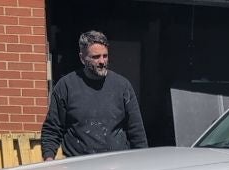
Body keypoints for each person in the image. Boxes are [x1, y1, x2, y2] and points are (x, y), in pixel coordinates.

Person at [41, 30, 148, 161]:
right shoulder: (66, 86)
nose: (102, 61)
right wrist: (49, 158)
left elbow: (137, 131)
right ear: (82, 58)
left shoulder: (123, 86)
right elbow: (52, 129)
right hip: (79, 166)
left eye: (105, 56)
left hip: (117, 165)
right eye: (96, 57)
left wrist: (142, 160)